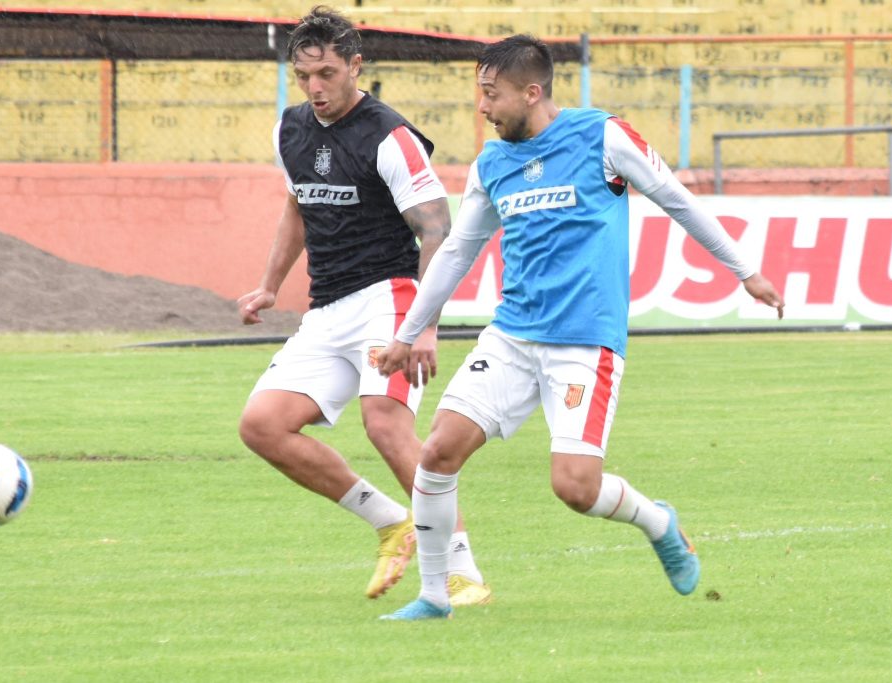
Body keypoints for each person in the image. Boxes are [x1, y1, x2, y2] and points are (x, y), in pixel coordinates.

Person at [375, 34, 785, 620]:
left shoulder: (603, 136)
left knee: (575, 488)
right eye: (480, 94)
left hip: (583, 345)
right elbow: (458, 252)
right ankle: (436, 596)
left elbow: (676, 199)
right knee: (438, 453)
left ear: (532, 92)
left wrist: (746, 270)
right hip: (512, 335)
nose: (483, 108)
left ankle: (659, 522)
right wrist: (410, 332)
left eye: (492, 95)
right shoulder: (492, 164)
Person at [237, 6, 491, 606]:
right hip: (327, 308)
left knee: (384, 424)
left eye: (326, 73)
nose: (315, 88)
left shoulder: (391, 136)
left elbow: (436, 230)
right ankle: (390, 521)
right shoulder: (290, 129)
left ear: (356, 65)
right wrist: (271, 284)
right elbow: (298, 206)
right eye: (304, 77)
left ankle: (463, 571)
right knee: (262, 426)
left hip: (390, 296)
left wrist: (423, 324)